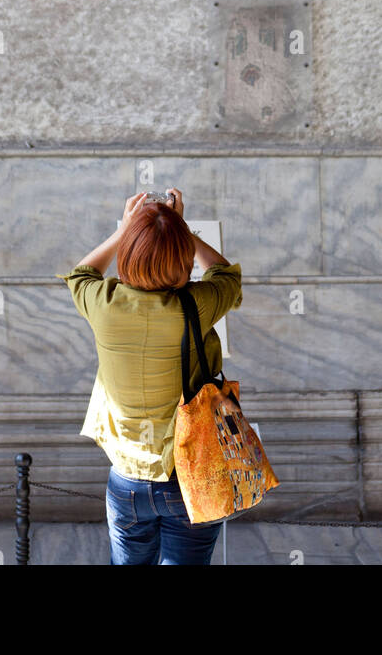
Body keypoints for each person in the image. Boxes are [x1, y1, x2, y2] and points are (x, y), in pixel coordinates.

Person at [60, 186, 242, 565]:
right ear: (185, 260)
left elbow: (81, 274)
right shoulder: (198, 303)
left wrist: (126, 229)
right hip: (189, 476)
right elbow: (226, 274)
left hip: (126, 478)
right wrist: (181, 228)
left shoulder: (104, 304)